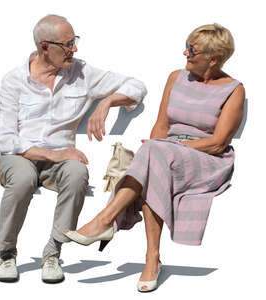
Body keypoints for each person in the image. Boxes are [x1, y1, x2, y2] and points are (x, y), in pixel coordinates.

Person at [64, 23, 246, 292]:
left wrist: (167, 148)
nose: (185, 53)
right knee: (155, 157)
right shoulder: (176, 77)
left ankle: (105, 221)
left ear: (213, 58)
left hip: (207, 159)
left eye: (191, 50)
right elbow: (161, 127)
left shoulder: (234, 89)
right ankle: (152, 259)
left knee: (156, 154)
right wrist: (158, 148)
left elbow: (218, 142)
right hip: (166, 152)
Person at [0, 14, 147, 283]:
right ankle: (6, 253)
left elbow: (137, 86)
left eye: (74, 41)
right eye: (66, 44)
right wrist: (55, 154)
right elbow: (7, 141)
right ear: (44, 47)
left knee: (77, 173)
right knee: (23, 179)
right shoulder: (14, 80)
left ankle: (53, 253)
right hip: (20, 156)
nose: (74, 49)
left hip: (62, 162)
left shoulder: (81, 73)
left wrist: (107, 101)